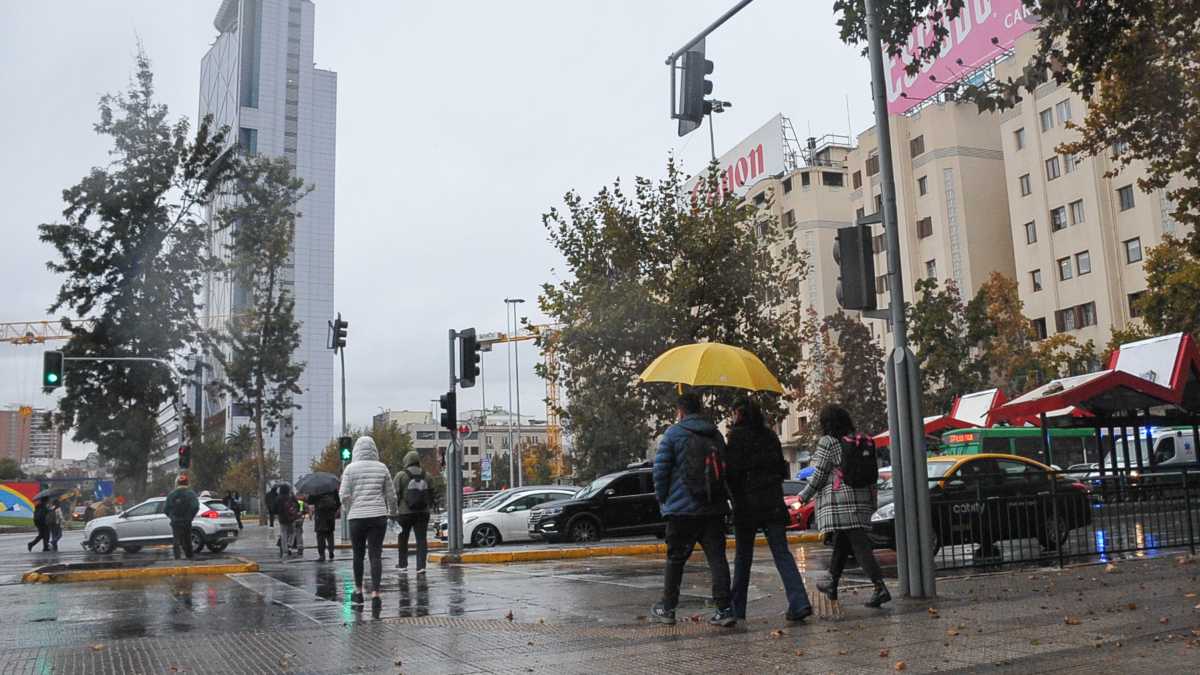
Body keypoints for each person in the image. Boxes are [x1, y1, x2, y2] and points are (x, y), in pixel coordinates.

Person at [650, 392, 736, 628]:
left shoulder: (673, 434)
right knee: (717, 559)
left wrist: (663, 500)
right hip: (713, 509)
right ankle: (724, 609)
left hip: (681, 511)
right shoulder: (715, 434)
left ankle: (667, 608)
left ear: (681, 411)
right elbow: (726, 469)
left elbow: (660, 471)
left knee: (675, 560)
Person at [726, 397, 813, 623]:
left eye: (734, 412)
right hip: (773, 502)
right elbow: (780, 469)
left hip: (747, 505)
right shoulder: (770, 436)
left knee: (743, 557)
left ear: (740, 413)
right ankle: (799, 602)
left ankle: (737, 609)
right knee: (782, 553)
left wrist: (734, 498)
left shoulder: (736, 437)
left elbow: (732, 474)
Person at [798, 404, 891, 608]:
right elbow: (872, 475)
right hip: (860, 499)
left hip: (841, 503)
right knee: (842, 541)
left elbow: (820, 474)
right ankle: (832, 583)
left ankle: (880, 587)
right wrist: (871, 501)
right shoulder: (858, 441)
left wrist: (803, 496)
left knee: (859, 546)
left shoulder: (828, 442)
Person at [338, 436, 398, 608]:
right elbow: (391, 495)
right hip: (378, 516)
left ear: (356, 450)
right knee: (375, 555)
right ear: (374, 450)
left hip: (356, 518)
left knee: (358, 555)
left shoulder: (350, 469)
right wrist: (392, 513)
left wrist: (349, 509)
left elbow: (343, 495)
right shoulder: (382, 468)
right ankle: (376, 594)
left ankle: (358, 592)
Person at [393, 450, 432, 573]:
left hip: (405, 513)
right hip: (423, 512)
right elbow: (432, 493)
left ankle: (403, 564)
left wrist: (396, 509)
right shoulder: (427, 475)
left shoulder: (401, 475)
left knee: (403, 538)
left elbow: (395, 494)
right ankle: (421, 566)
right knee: (421, 539)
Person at [164, 475, 201, 560]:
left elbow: (166, 509)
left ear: (177, 483)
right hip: (186, 522)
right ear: (187, 483)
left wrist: (172, 517)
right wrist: (190, 517)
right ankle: (189, 557)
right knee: (187, 540)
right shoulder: (191, 493)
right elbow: (195, 507)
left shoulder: (172, 494)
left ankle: (177, 558)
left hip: (176, 522)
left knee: (176, 540)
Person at [313, 492, 341, 562]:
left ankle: (322, 555)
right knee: (330, 534)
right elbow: (338, 502)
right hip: (330, 516)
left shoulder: (316, 489)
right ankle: (331, 550)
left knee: (320, 536)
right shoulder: (332, 489)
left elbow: (310, 501)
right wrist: (333, 510)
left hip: (319, 516)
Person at [276, 484, 301, 560]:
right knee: (292, 532)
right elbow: (298, 505)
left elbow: (275, 509)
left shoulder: (278, 498)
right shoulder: (290, 497)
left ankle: (285, 550)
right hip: (291, 518)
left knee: (283, 533)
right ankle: (289, 544)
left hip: (282, 518)